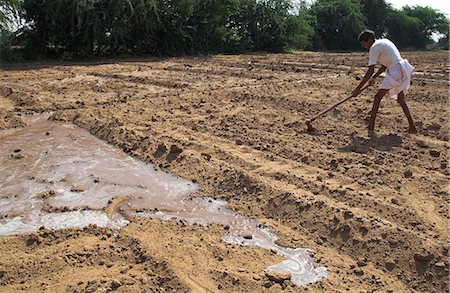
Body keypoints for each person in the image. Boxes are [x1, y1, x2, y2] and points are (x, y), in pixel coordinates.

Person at [352, 29, 417, 135]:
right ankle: (412, 126)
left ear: (369, 40)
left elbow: (370, 70)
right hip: (402, 68)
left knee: (377, 97)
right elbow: (384, 65)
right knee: (401, 99)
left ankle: (371, 126)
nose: (364, 46)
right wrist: (374, 78)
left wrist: (358, 89)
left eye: (364, 44)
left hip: (395, 70)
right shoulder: (385, 41)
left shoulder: (374, 47)